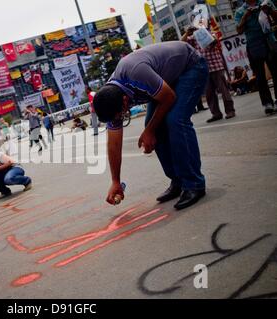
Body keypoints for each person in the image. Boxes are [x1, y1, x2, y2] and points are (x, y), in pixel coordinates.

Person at [93, 41, 209, 210]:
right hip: (166, 79)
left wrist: (149, 131)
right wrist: (115, 181)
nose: (121, 118)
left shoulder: (134, 72)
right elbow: (114, 144)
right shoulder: (112, 98)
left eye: (121, 114)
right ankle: (178, 180)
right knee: (153, 125)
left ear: (125, 102)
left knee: (175, 120)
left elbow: (168, 97)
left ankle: (194, 184)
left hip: (190, 66)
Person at [183, 26, 236, 122]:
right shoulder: (193, 37)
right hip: (203, 69)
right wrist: (188, 33)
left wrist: (203, 33)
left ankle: (230, 111)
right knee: (209, 93)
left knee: (224, 90)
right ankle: (216, 114)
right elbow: (182, 43)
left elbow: (214, 41)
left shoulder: (211, 33)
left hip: (216, 67)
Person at [236, 0, 277, 114]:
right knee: (260, 77)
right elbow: (239, 30)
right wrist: (245, 16)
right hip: (253, 45)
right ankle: (267, 103)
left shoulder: (266, 2)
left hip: (269, 41)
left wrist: (268, 10)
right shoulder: (240, 11)